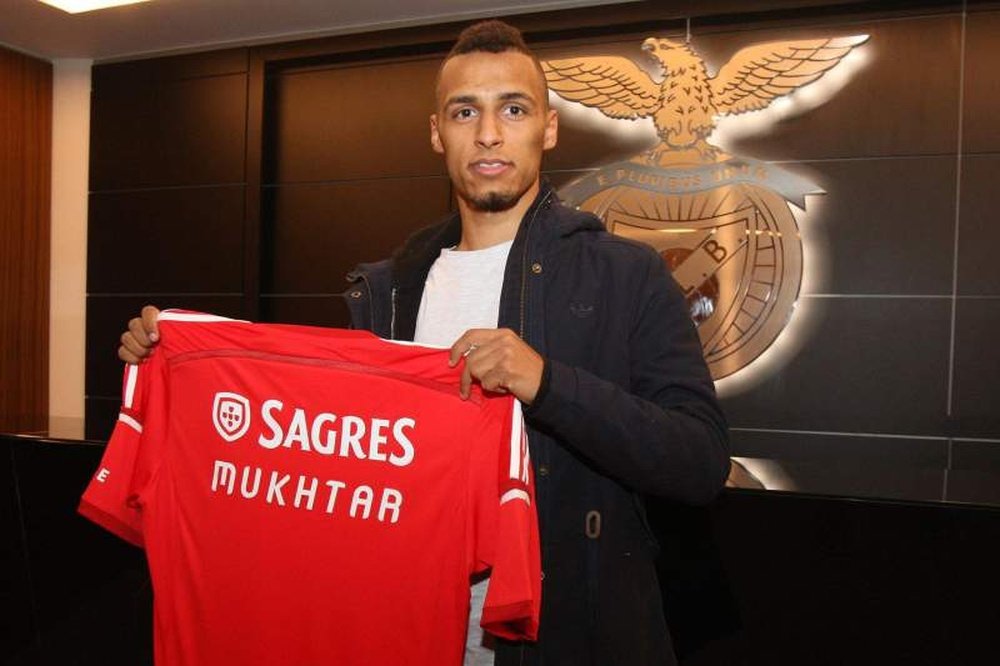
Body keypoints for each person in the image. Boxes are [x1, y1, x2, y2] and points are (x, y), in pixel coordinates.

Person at [118, 19, 730, 666]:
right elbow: (330, 459)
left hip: (565, 641)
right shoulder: (386, 292)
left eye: (512, 109)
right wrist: (177, 362)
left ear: (548, 127)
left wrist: (547, 383)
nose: (489, 133)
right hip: (405, 634)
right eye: (465, 112)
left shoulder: (626, 274)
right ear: (438, 133)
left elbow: (699, 461)